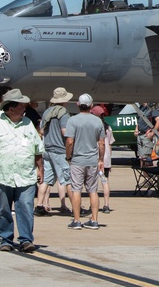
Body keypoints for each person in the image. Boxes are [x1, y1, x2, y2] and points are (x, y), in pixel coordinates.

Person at [0, 88, 45, 253]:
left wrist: (40, 169)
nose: (24, 108)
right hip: (2, 175)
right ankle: (6, 239)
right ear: (10, 108)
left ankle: (26, 239)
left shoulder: (28, 123)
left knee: (26, 207)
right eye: (21, 105)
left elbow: (37, 149)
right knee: (3, 209)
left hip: (25, 175)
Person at [64, 93, 105, 230]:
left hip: (77, 160)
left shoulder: (73, 120)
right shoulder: (98, 121)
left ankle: (76, 220)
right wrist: (100, 159)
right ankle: (94, 220)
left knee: (76, 189)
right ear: (91, 105)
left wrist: (68, 156)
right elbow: (102, 143)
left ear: (77, 105)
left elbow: (70, 141)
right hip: (92, 160)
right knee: (93, 190)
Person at [37, 87, 73, 216]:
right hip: (59, 150)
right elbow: (65, 131)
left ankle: (39, 205)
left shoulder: (47, 112)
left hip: (47, 149)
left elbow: (41, 131)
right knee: (66, 179)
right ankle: (75, 207)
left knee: (46, 179)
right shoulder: (63, 113)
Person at [100, 119, 115, 213]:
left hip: (95, 158)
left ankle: (92, 204)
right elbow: (110, 145)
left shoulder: (95, 127)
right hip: (106, 158)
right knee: (105, 182)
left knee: (92, 184)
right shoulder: (108, 128)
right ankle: (106, 204)